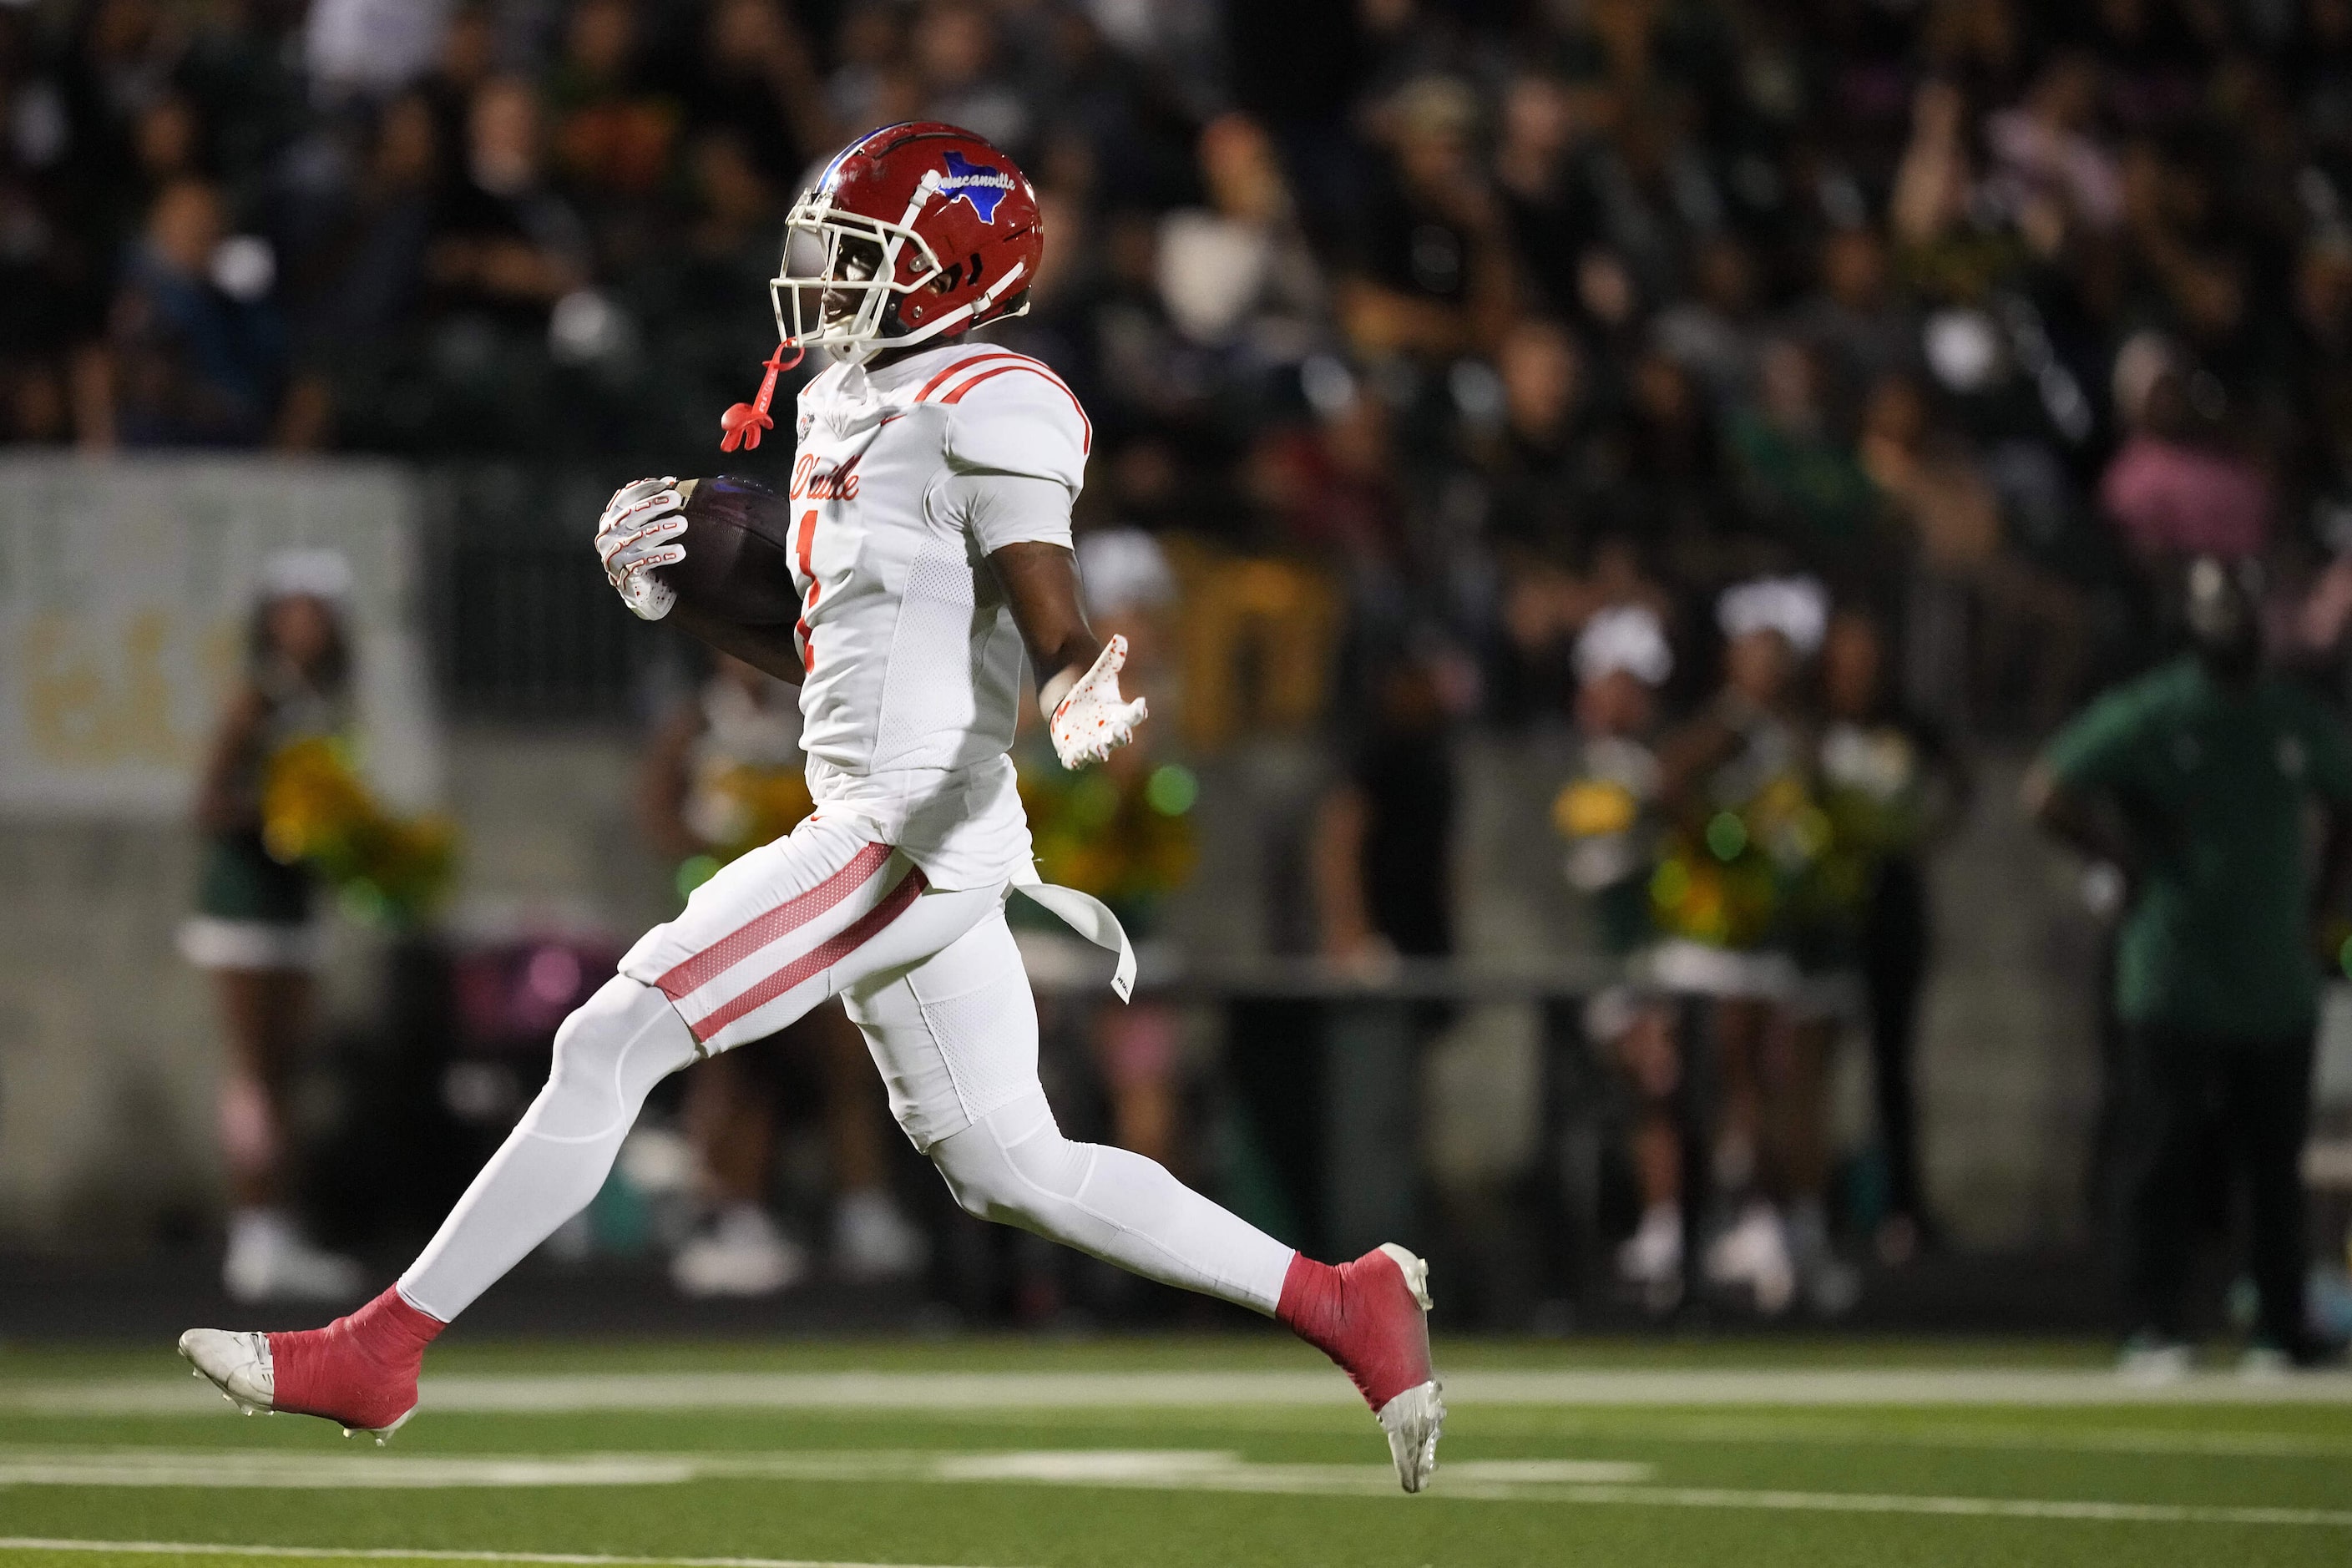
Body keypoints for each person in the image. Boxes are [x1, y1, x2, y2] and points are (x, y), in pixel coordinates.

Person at [179, 123, 1444, 1493]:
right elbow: (836, 652)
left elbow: (1050, 608)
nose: (823, 278)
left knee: (611, 1037)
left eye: (859, 255)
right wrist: (691, 594)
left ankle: (384, 1346)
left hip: (905, 833)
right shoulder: (848, 397)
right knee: (1010, 1159)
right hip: (902, 816)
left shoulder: (992, 394)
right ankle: (1344, 1298)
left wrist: (1080, 681)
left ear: (953, 268)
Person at [2026, 557, 2352, 1375]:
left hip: (2274, 976)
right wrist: (2122, 859)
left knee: (2273, 1164)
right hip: (2173, 972)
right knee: (2161, 1152)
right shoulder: (2157, 710)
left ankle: (2282, 1322)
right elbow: (2048, 790)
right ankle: (2153, 1320)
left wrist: (2324, 903)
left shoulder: (2289, 716)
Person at [638, 653, 927, 1295]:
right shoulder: (696, 724)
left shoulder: (812, 710)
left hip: (808, 915)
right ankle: (731, 1214)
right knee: (737, 1068)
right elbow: (658, 811)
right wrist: (716, 856)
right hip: (729, 919)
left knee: (849, 1056)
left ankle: (861, 1206)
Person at [179, 551, 366, 1304]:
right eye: (292, 611)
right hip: (242, 910)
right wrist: (281, 823)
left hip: (292, 909)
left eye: (317, 612)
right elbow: (209, 805)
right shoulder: (255, 702)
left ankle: (277, 1226)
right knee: (255, 1072)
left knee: (285, 1072)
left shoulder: (321, 701)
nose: (305, 626)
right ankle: (253, 1229)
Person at [1812, 609, 1968, 1267]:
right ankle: (1806, 1207)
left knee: (1891, 1069)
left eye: (1868, 657)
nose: (1858, 671)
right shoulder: (1813, 727)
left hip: (1891, 917)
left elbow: (1957, 788)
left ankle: (1902, 1207)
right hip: (1822, 920)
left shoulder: (1904, 727)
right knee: (1805, 1068)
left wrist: (1919, 837)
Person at [1547, 606, 1680, 1308]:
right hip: (1616, 958)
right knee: (1639, 1097)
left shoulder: (1631, 764)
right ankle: (1655, 1229)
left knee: (1656, 1093)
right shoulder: (1598, 766)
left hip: (1647, 957)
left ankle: (1666, 1230)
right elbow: (1592, 862)